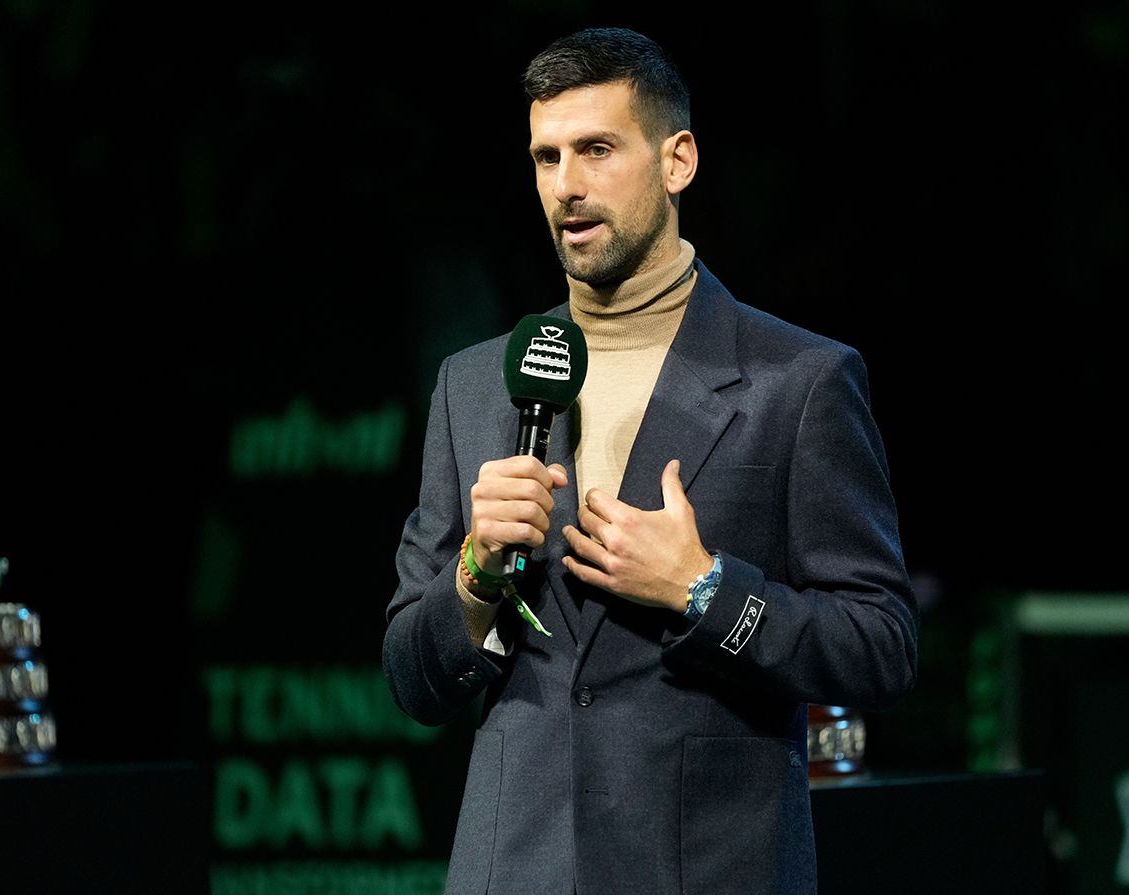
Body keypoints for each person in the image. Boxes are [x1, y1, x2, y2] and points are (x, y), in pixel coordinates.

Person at [382, 25, 918, 895]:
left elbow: (880, 647)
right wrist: (476, 575)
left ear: (678, 161)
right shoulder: (475, 386)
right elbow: (412, 680)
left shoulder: (800, 381)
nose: (568, 185)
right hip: (514, 871)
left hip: (705, 870)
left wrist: (704, 588)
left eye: (597, 149)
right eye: (546, 157)